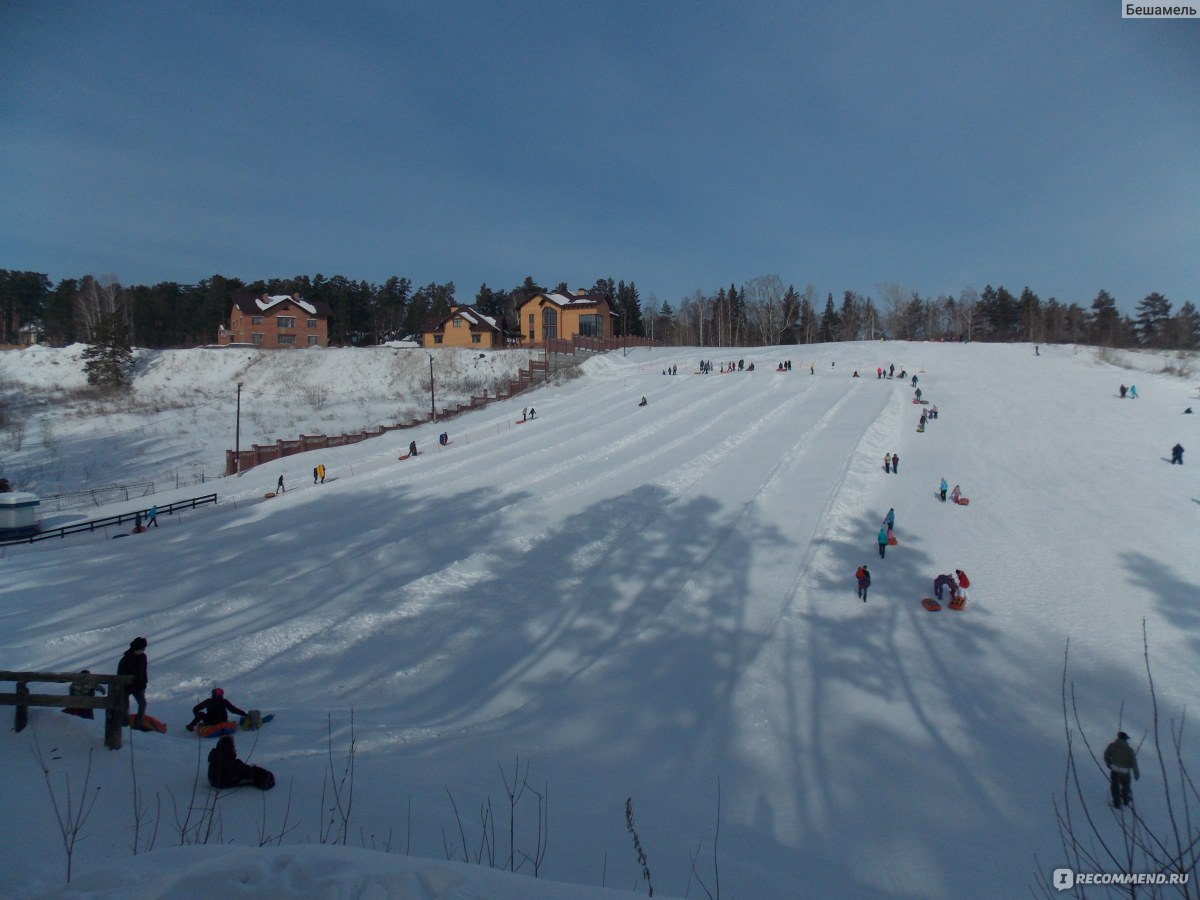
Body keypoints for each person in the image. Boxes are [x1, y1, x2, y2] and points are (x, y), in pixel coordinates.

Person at [207, 734, 275, 791]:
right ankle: (263, 779)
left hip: (214, 779)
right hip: (222, 782)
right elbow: (231, 772)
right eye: (233, 746)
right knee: (255, 775)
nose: (235, 748)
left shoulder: (216, 755)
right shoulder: (226, 759)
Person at [117, 637, 149, 730]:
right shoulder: (125, 659)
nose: (143, 650)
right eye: (142, 649)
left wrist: (144, 683)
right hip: (126, 686)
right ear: (136, 648)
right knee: (125, 704)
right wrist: (127, 685)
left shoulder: (143, 657)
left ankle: (138, 725)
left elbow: (143, 671)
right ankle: (124, 724)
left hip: (139, 686)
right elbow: (120, 675)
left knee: (142, 703)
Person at [1103, 731, 1139, 808]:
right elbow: (1134, 763)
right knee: (1126, 787)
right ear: (1125, 739)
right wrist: (1136, 773)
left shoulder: (1112, 746)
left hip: (1115, 770)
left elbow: (1106, 755)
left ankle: (1117, 803)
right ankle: (1126, 801)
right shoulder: (1129, 750)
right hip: (1125, 772)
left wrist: (1109, 764)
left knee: (1115, 787)